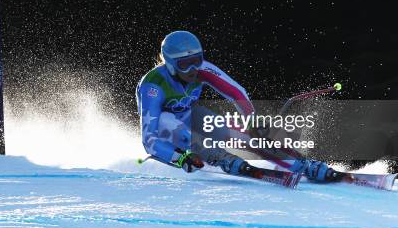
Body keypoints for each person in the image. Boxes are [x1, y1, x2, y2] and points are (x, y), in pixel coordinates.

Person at [136, 30, 338, 181]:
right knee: (169, 121)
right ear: (170, 63)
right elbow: (149, 138)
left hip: (190, 115)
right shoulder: (153, 86)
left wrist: (251, 122)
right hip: (167, 132)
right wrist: (179, 158)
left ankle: (299, 163)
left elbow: (236, 92)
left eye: (197, 60)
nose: (193, 69)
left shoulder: (202, 70)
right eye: (184, 64)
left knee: (228, 130)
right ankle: (222, 158)